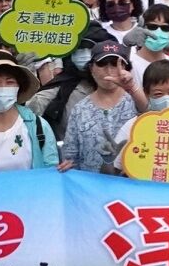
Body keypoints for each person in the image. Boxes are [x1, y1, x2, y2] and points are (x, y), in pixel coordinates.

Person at [61, 41, 143, 175]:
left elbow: (152, 114)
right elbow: (71, 155)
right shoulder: (80, 109)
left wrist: (132, 87)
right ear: (91, 68)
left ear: (125, 68)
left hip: (129, 185)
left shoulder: (136, 101)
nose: (109, 69)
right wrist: (67, 165)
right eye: (102, 64)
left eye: (115, 64)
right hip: (91, 186)